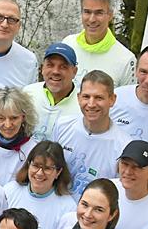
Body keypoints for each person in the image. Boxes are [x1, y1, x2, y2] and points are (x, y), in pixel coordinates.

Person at [52, 69, 132, 199]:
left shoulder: (124, 146)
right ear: (78, 98)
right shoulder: (62, 126)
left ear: (112, 99)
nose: (91, 104)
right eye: (86, 96)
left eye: (99, 98)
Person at [5, 141, 76, 229]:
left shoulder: (68, 208)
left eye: (47, 168)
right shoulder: (9, 191)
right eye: (35, 166)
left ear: (58, 172)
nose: (39, 173)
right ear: (28, 165)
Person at [62, 0, 136, 88]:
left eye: (99, 13)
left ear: (110, 15)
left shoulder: (126, 59)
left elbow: (128, 102)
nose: (92, 19)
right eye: (87, 12)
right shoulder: (67, 44)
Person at [0, 87, 38, 186]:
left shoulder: (34, 149)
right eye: (1, 118)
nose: (8, 125)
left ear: (23, 117)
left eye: (14, 118)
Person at [22, 43, 80, 143]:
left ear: (74, 71)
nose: (56, 71)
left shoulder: (83, 102)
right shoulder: (27, 93)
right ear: (42, 68)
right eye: (50, 65)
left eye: (63, 67)